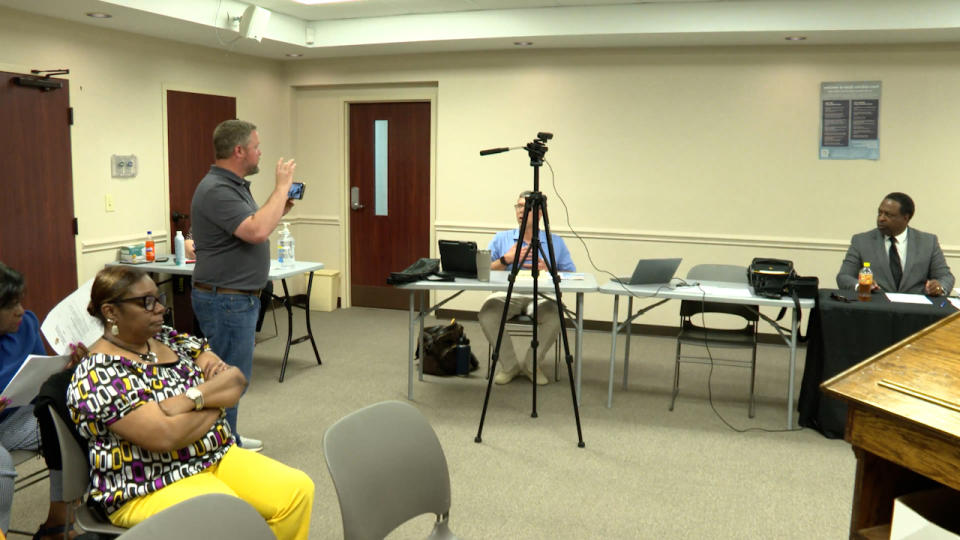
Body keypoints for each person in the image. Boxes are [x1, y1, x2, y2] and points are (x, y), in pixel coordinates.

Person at [67, 265, 313, 538]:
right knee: (230, 516)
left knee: (298, 490)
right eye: (146, 302)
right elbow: (166, 436)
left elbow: (235, 381)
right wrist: (215, 399)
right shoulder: (97, 374)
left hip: (215, 456)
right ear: (110, 311)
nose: (160, 308)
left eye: (158, 298)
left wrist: (190, 400)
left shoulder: (169, 339)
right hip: (148, 483)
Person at [189, 119, 296, 452]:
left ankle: (227, 438)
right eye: (256, 147)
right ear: (239, 151)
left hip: (237, 299)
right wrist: (281, 188)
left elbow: (253, 223)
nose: (260, 152)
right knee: (227, 381)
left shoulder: (233, 186)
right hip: (226, 301)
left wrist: (280, 203)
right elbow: (256, 232)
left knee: (234, 378)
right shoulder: (217, 189)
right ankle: (221, 447)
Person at [0, 262, 80, 539]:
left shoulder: (26, 324)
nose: (20, 311)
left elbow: (39, 377)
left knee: (74, 419)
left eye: (19, 302)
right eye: (10, 306)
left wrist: (67, 368)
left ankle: (58, 522)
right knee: (0, 465)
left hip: (15, 417)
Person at [478, 191, 576, 385]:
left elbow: (572, 276)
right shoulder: (501, 238)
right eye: (519, 206)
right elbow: (483, 270)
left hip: (542, 294)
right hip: (507, 293)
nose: (521, 211)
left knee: (556, 315)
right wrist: (506, 259)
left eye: (526, 207)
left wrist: (548, 269)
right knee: (487, 314)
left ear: (539, 213)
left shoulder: (554, 241)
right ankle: (510, 366)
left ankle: (532, 365)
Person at [836, 192, 954, 296]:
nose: (881, 218)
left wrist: (939, 287)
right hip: (876, 307)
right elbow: (844, 277)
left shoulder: (928, 242)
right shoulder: (861, 241)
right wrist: (861, 285)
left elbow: (946, 277)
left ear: (905, 218)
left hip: (916, 310)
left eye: (888, 215)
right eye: (879, 213)